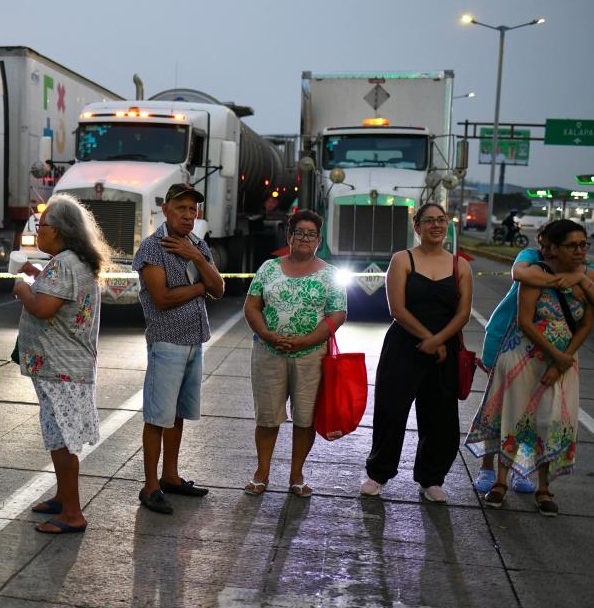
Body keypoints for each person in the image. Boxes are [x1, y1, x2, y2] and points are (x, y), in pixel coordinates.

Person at [465, 221, 594, 516]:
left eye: (582, 245)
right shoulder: (530, 260)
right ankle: (491, 472)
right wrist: (555, 280)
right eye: (567, 244)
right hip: (507, 340)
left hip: (557, 358)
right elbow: (519, 274)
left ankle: (529, 475)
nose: (578, 250)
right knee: (502, 408)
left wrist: (581, 281)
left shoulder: (587, 273)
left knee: (544, 418)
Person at [361, 203, 472, 503]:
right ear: (417, 226)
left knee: (440, 416)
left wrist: (439, 341)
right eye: (429, 221)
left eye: (441, 220)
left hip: (444, 349)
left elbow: (463, 313)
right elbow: (396, 308)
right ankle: (378, 474)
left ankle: (431, 479)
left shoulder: (459, 265)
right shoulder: (403, 259)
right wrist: (427, 338)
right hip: (404, 345)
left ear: (447, 224)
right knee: (391, 410)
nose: (436, 225)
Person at [14, 194, 111, 534]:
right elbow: (59, 292)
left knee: (63, 442)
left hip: (62, 369)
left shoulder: (64, 263)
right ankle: (61, 497)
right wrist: (36, 273)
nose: (39, 231)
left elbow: (43, 307)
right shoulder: (70, 262)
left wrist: (22, 287)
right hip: (64, 368)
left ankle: (72, 513)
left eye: (43, 226)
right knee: (58, 436)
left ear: (60, 231)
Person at [132, 182, 225, 515]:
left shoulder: (197, 245)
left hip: (194, 341)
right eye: (181, 208)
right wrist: (200, 285)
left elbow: (220, 289)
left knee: (177, 416)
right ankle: (150, 486)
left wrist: (196, 257)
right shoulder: (153, 247)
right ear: (166, 209)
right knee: (158, 417)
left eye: (193, 209)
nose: (188, 215)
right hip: (167, 342)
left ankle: (170, 476)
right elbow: (162, 298)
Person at [243, 210, 347, 497]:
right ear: (288, 236)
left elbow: (337, 314)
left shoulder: (330, 274)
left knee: (305, 419)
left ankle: (296, 476)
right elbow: (251, 306)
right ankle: (261, 474)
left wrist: (306, 341)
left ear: (319, 240)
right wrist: (267, 334)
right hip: (268, 352)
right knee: (267, 418)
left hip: (311, 356)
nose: (304, 238)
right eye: (298, 232)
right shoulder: (268, 268)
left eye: (311, 234)